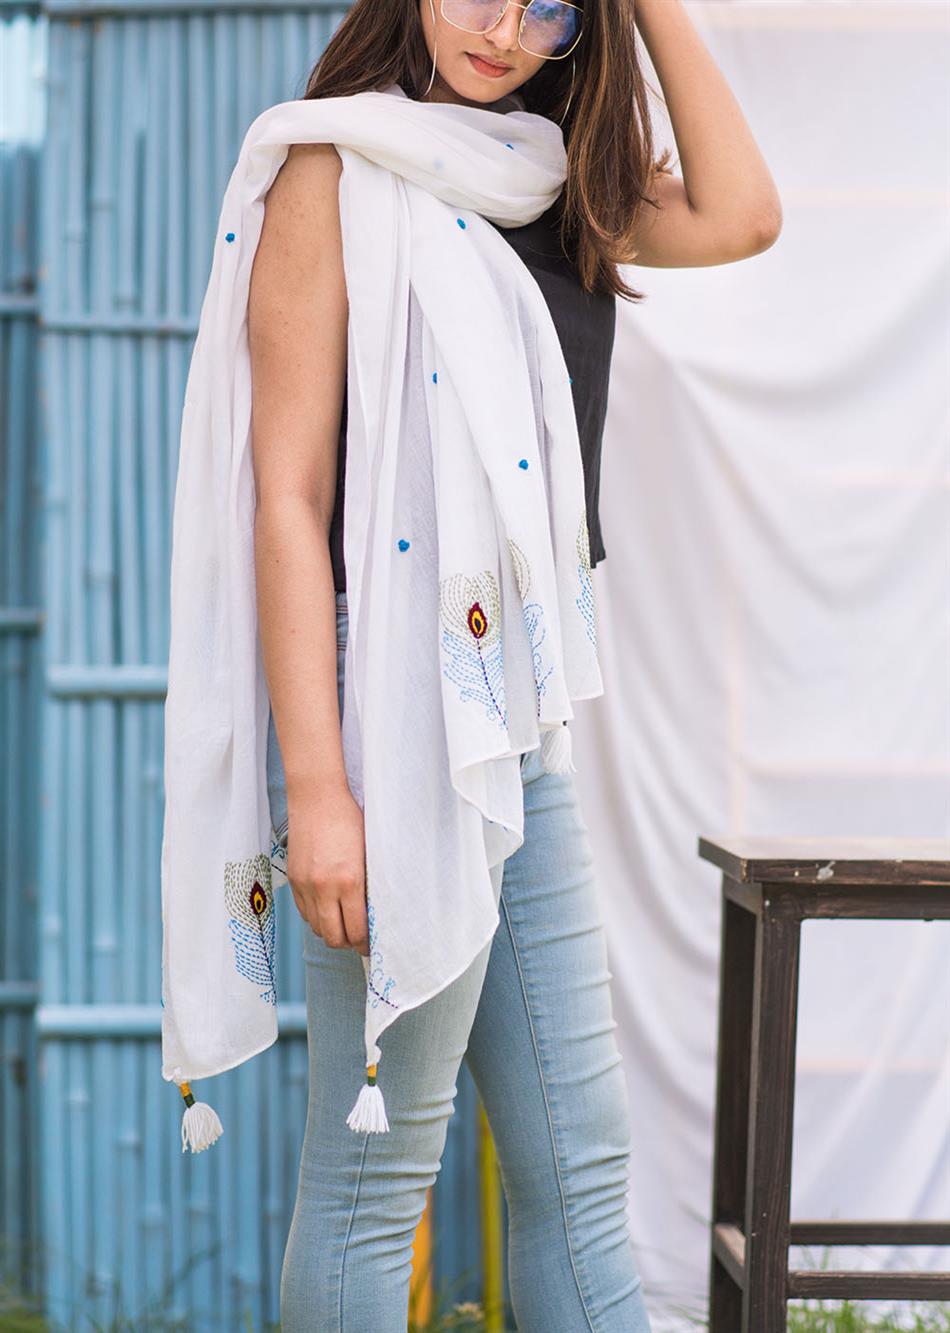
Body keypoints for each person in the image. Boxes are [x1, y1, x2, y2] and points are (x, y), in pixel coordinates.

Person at [247, 1, 781, 1328]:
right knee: (377, 1176)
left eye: (546, 3)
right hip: (384, 715)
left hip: (520, 715)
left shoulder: (558, 184)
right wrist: (320, 790)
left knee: (579, 1167)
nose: (499, 27)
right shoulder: (335, 164)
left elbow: (744, 212)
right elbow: (286, 496)